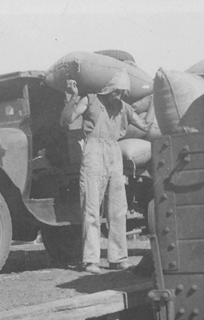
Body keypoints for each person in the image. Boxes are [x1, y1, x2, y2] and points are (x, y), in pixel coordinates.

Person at [59, 70, 151, 274]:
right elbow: (65, 121)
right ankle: (91, 260)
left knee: (118, 207)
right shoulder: (89, 100)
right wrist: (73, 96)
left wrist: (153, 100)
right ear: (108, 88)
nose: (119, 96)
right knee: (91, 206)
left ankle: (118, 258)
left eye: (123, 93)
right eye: (116, 91)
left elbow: (144, 125)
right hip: (93, 150)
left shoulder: (124, 108)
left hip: (114, 151)